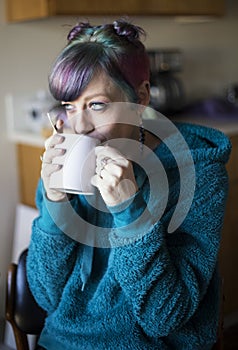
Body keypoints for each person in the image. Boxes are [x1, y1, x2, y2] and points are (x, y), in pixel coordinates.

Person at [26, 19, 231, 350]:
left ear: (141, 98)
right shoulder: (64, 166)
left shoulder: (197, 174)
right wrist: (54, 203)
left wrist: (130, 211)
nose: (79, 125)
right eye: (69, 107)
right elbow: (46, 298)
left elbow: (163, 317)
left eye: (96, 105)